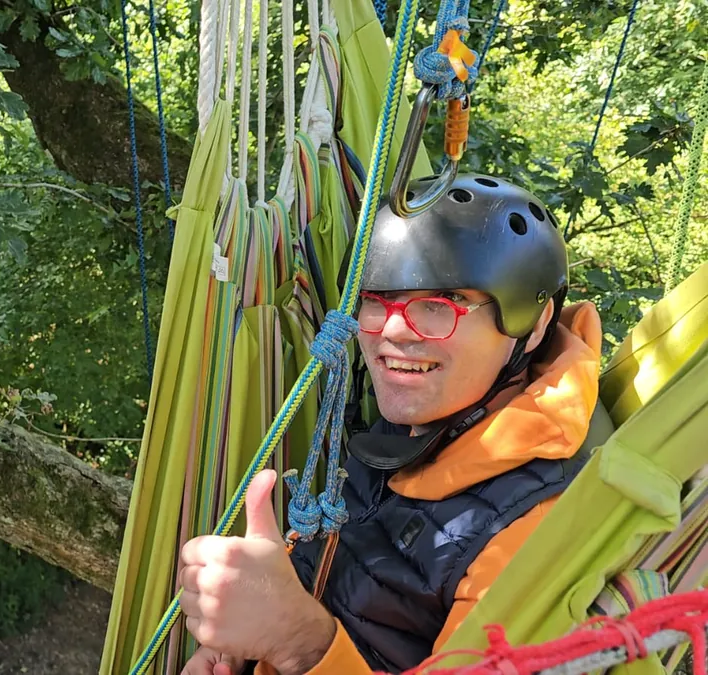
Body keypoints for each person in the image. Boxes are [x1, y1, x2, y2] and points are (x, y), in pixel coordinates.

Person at [178, 174, 604, 674]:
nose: (393, 332)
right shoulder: (412, 430)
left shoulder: (532, 528)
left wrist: (295, 639)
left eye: (439, 305)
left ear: (530, 328)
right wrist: (245, 639)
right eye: (376, 301)